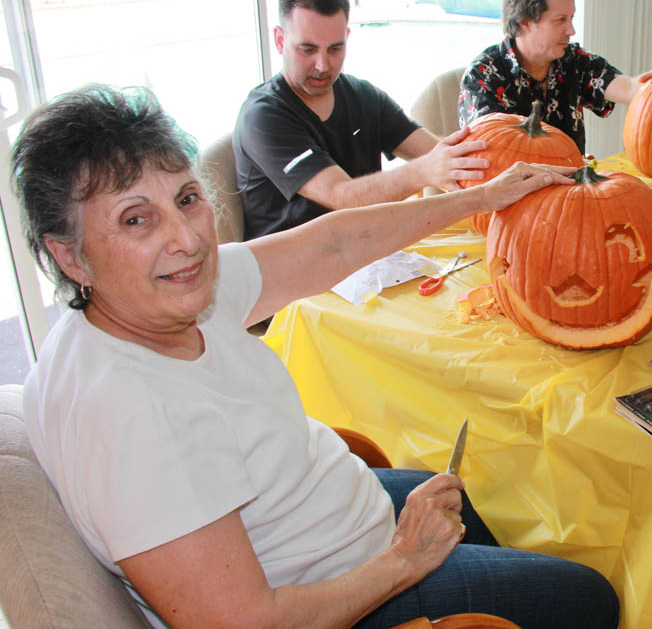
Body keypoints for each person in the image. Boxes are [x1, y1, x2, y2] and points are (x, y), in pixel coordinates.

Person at [12, 84, 619, 629]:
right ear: (69, 257)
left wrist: (479, 197)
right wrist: (404, 561)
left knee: (463, 503)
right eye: (136, 219)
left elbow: (333, 244)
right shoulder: (136, 421)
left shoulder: (152, 303)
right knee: (589, 599)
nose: (188, 239)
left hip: (327, 512)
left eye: (188, 198)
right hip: (337, 595)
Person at [234, 0, 491, 240]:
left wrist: (512, 160)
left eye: (335, 49)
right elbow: (340, 196)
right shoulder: (263, 117)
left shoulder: (363, 95)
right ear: (279, 40)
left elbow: (439, 152)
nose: (323, 65)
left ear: (347, 37)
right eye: (307, 49)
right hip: (292, 272)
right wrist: (424, 171)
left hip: (362, 256)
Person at [459, 0, 652, 155]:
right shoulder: (482, 76)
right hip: (512, 200)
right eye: (560, 20)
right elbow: (489, 160)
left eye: (571, 18)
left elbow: (629, 88)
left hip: (571, 193)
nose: (571, 30)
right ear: (525, 22)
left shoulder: (574, 60)